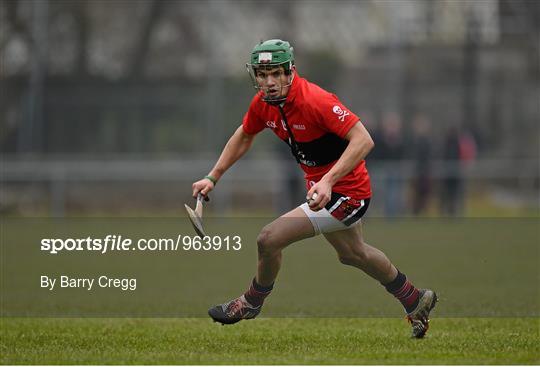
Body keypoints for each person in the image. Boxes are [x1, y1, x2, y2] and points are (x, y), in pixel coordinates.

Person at [192, 39, 437, 338]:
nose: (269, 82)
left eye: (276, 73)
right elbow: (244, 135)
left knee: (268, 239)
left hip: (348, 192)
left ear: (290, 72)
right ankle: (414, 299)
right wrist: (212, 177)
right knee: (352, 254)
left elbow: (364, 139)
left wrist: (328, 180)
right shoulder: (263, 105)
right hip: (324, 191)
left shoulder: (315, 100)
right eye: (262, 74)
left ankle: (251, 302)